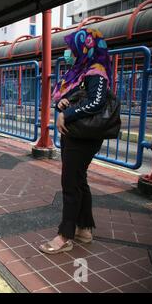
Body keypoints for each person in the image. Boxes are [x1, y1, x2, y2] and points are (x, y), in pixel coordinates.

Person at [39, 28, 112, 255]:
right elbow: (74, 97)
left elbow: (96, 102)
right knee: (79, 181)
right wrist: (62, 104)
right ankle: (84, 230)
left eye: (73, 47)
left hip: (83, 137)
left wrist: (66, 114)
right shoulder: (80, 71)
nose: (69, 52)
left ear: (86, 47)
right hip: (76, 135)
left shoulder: (96, 71)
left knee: (70, 183)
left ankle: (65, 236)